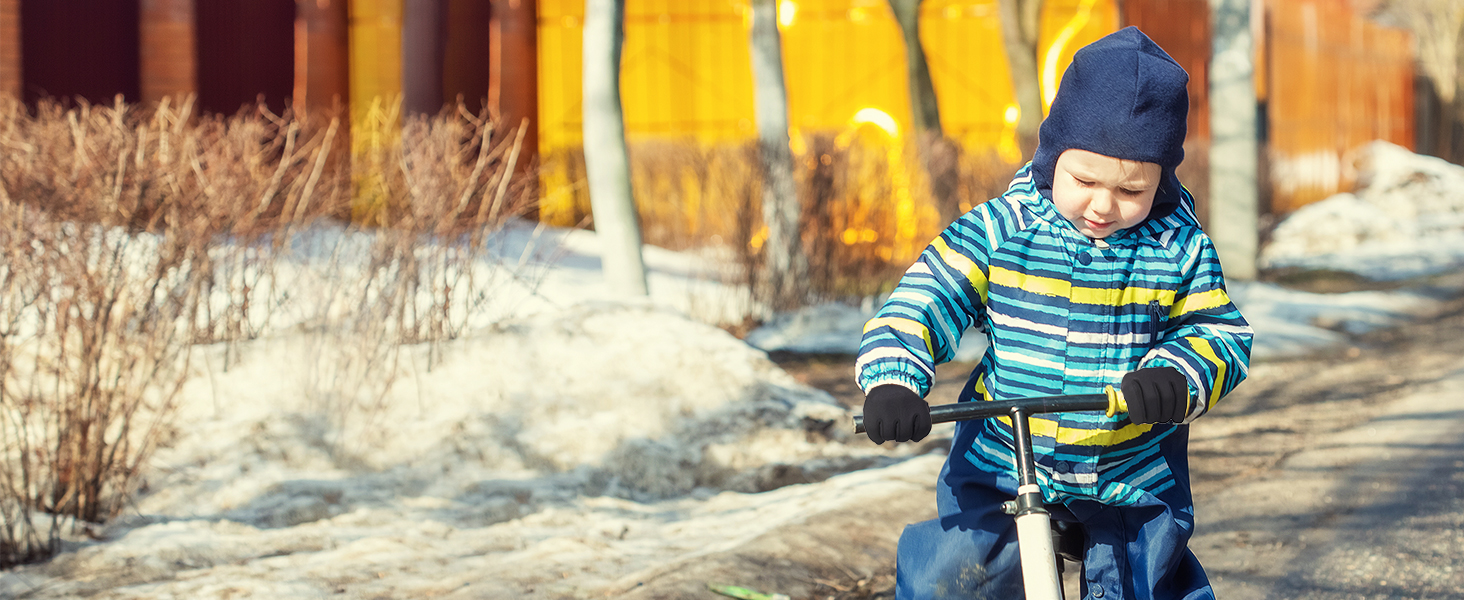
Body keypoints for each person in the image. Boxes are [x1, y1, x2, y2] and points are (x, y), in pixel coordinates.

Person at [855, 27, 1253, 600]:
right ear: (1052, 155)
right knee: (954, 578)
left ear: (1162, 179)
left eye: (1131, 190)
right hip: (1002, 456)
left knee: (1147, 581)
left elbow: (1218, 331)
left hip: (1127, 462)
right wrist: (893, 380)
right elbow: (925, 297)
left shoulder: (1178, 246)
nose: (1102, 205)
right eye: (1084, 180)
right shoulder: (1001, 228)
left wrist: (1178, 374)